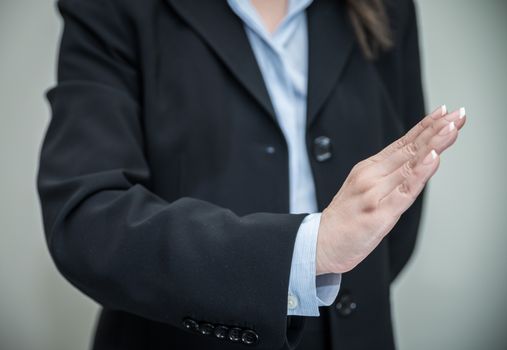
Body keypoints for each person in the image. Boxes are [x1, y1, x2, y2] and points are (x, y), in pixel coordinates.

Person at [36, 0, 467, 349]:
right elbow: (87, 218)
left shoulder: (387, 7)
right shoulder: (112, 8)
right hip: (183, 336)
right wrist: (308, 251)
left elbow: (397, 208)